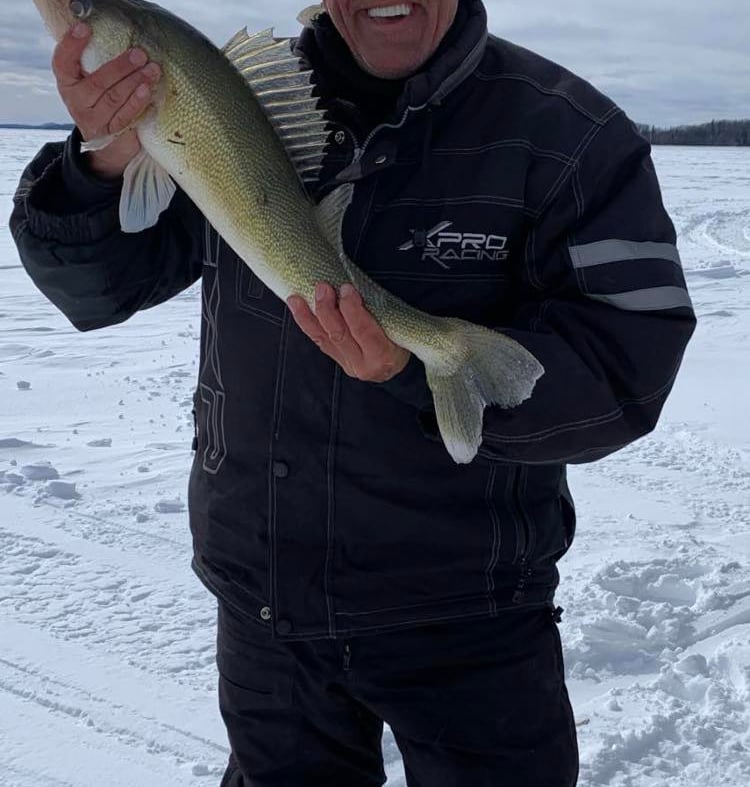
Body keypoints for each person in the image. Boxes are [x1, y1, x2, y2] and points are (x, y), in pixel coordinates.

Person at [11, 0, 695, 784]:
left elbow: (626, 369)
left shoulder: (570, 136)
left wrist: (411, 372)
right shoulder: (239, 101)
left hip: (472, 625)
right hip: (268, 616)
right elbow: (99, 291)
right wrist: (101, 164)